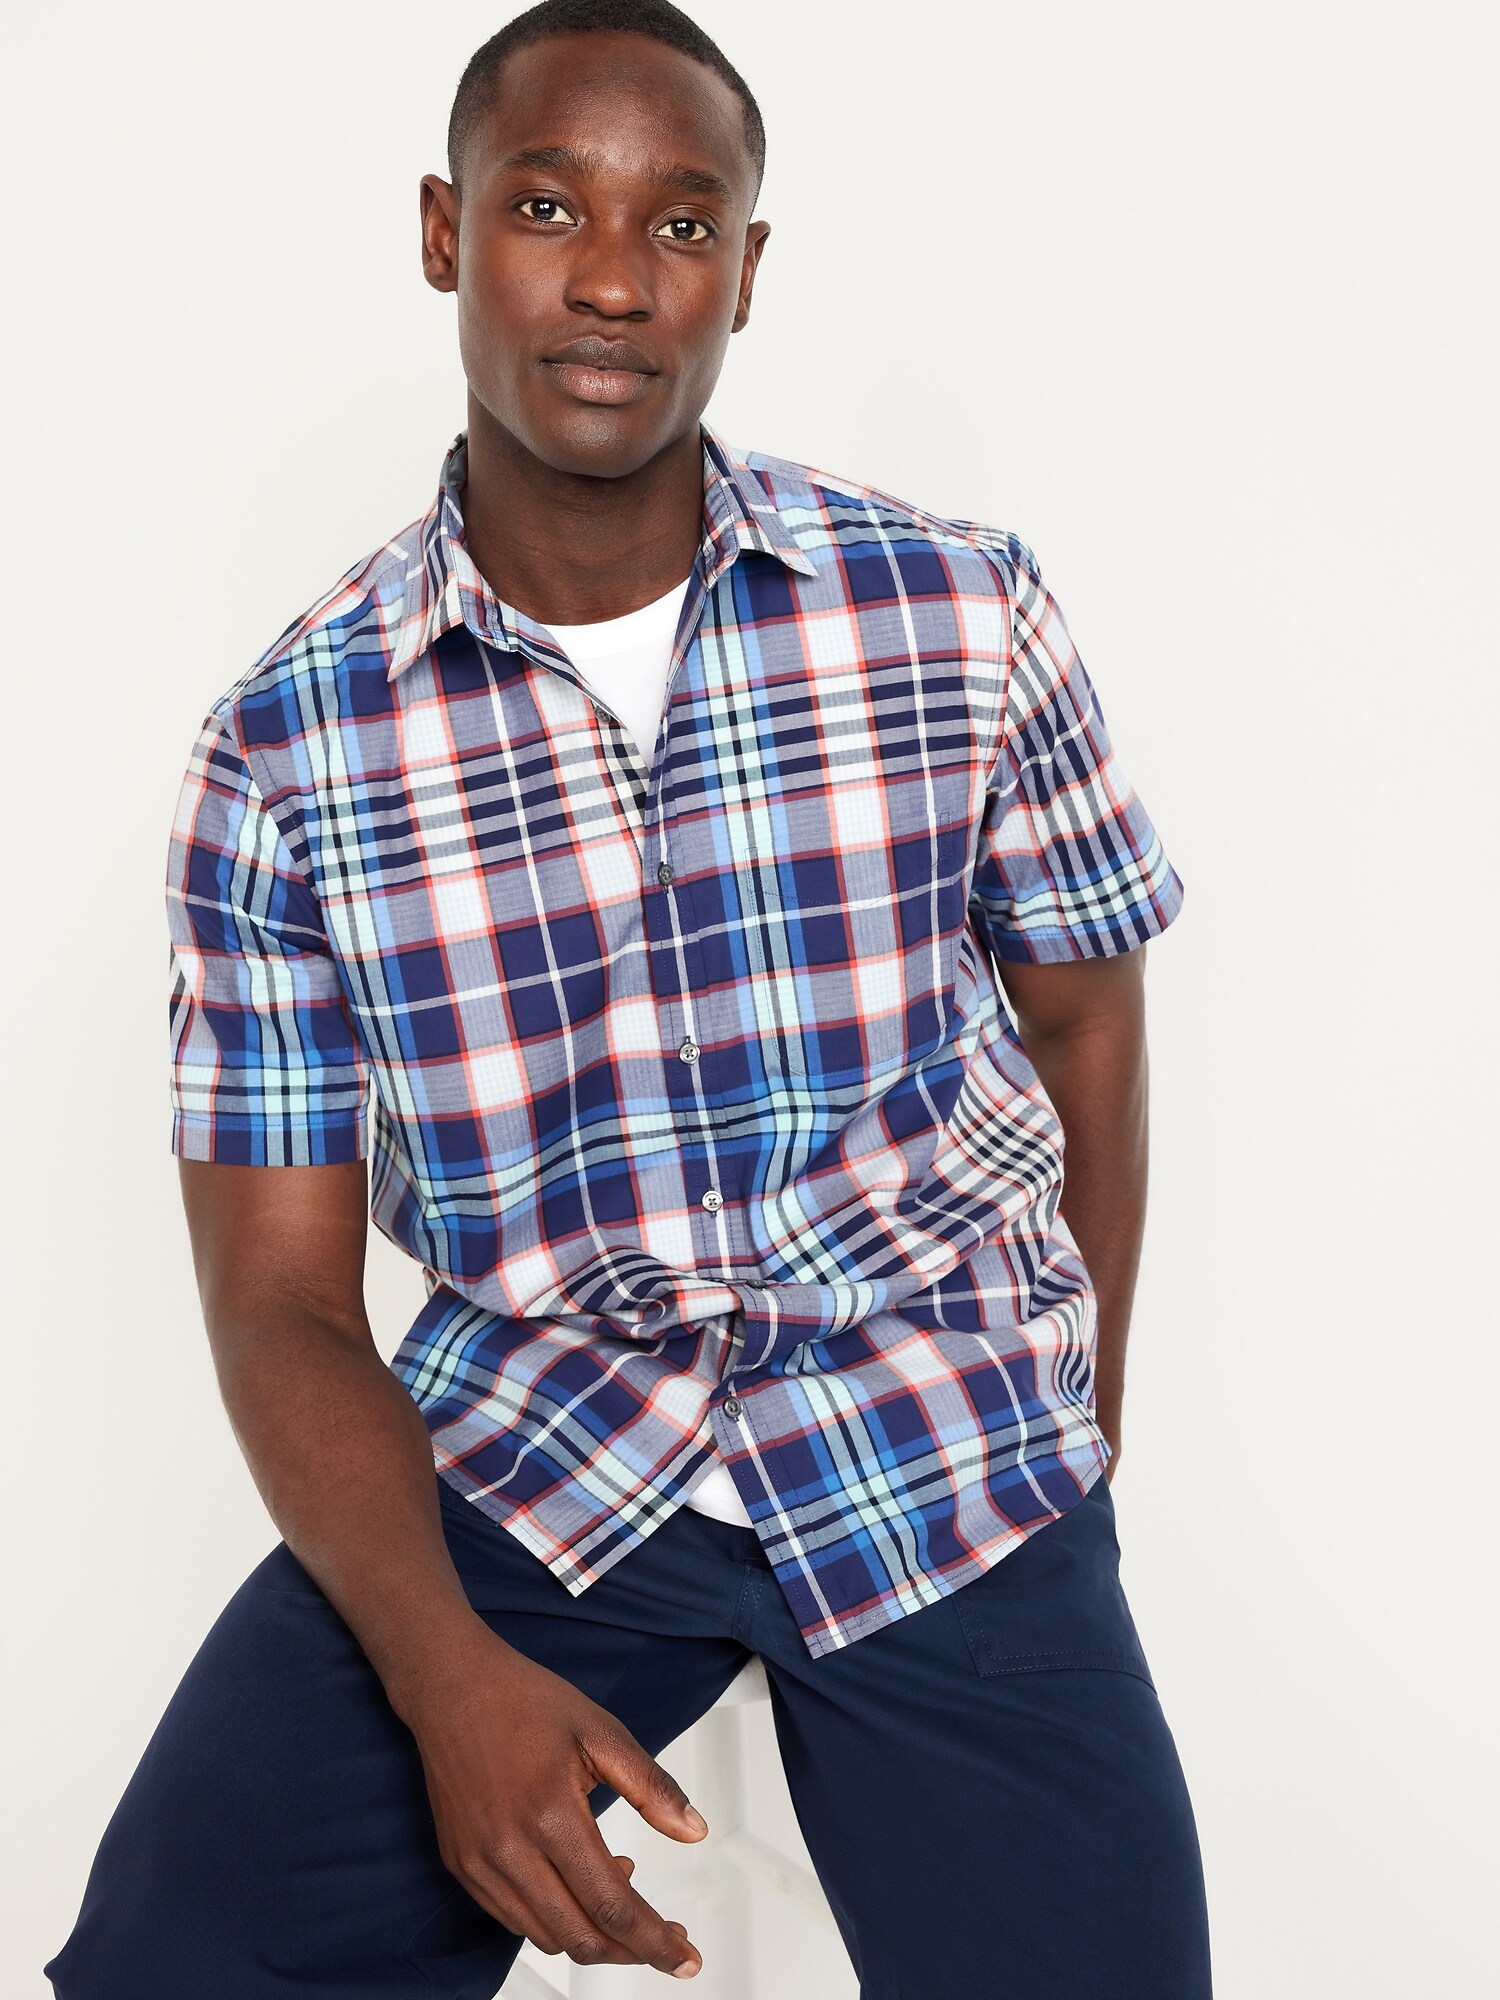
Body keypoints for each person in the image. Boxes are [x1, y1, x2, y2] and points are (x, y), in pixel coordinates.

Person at [44, 2, 1213, 1994]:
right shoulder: (287, 749)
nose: (611, 278)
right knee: (175, 1955)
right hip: (539, 1448)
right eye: (544, 207)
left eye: (680, 225)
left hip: (937, 1421)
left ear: (746, 271)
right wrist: (446, 1683)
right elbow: (282, 1301)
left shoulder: (958, 611)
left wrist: (1072, 1445)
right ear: (444, 233)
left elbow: (1086, 1022)